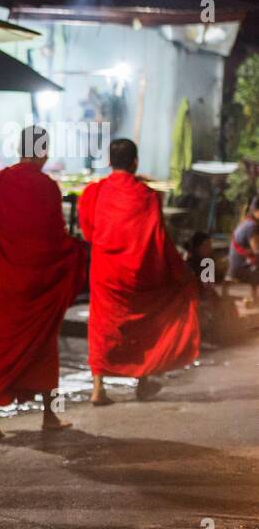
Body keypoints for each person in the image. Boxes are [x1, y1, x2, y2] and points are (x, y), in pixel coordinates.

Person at [0, 127, 85, 438]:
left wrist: (9, 243)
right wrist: (76, 249)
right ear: (44, 153)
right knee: (45, 345)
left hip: (8, 279)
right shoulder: (48, 187)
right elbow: (55, 238)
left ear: (18, 150)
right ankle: (49, 415)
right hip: (42, 282)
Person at [79, 139, 199, 403]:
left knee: (102, 326)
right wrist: (179, 272)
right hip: (140, 272)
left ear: (109, 162)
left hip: (106, 272)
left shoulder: (94, 192)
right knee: (147, 321)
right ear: (135, 162)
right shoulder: (147, 196)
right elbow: (159, 238)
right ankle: (143, 380)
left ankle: (98, 388)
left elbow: (88, 232)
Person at [228, 197, 259, 304]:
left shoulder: (245, 222)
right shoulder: (252, 226)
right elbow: (257, 250)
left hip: (237, 267)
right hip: (242, 269)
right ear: (256, 211)